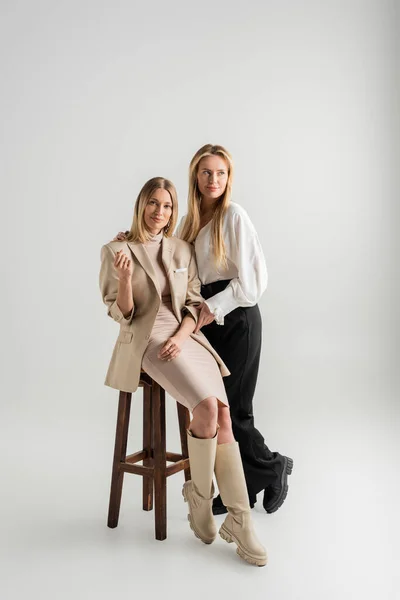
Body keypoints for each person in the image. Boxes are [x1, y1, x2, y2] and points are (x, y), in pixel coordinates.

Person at [100, 176, 267, 566]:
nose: (161, 212)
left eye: (169, 206)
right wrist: (125, 278)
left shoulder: (180, 248)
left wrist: (183, 334)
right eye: (154, 203)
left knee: (222, 414)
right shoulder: (115, 249)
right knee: (209, 408)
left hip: (185, 335)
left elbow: (194, 303)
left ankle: (238, 524)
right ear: (141, 204)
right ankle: (200, 498)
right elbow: (122, 314)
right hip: (147, 341)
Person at [177, 144, 293, 515]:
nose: (214, 180)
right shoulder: (189, 222)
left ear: (229, 178)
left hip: (236, 318)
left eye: (221, 173)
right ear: (196, 176)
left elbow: (253, 283)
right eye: (207, 172)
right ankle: (239, 487)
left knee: (236, 410)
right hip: (206, 324)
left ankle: (273, 468)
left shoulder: (234, 216)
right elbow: (172, 263)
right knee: (218, 409)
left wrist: (211, 308)